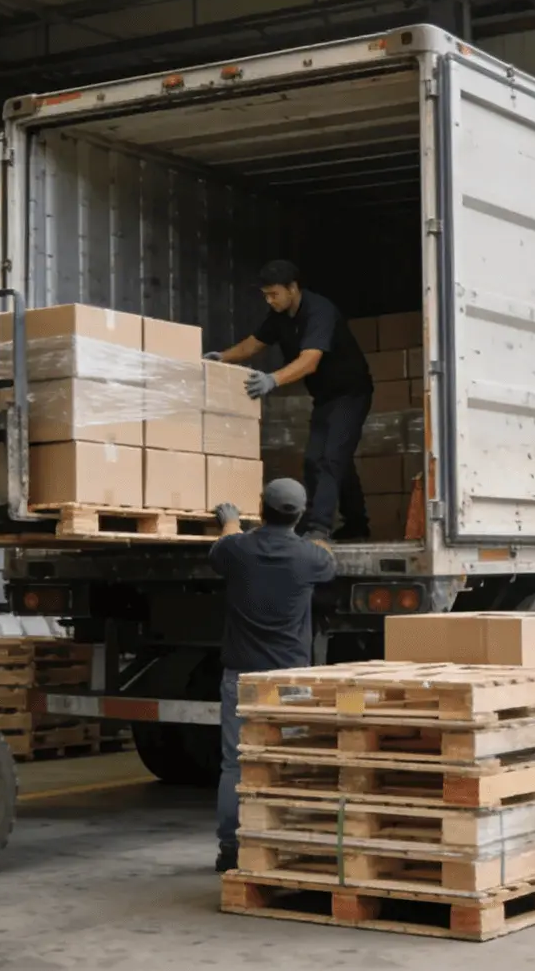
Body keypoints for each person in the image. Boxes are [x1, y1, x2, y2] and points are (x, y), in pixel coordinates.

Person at [206, 479, 335, 873]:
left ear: (261, 508)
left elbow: (223, 545)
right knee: (289, 760)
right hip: (290, 682)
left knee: (235, 764)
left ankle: (231, 849)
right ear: (299, 513)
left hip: (242, 678)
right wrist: (318, 537)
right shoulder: (310, 558)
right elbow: (329, 560)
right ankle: (286, 843)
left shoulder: (237, 550)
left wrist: (230, 520)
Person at [207, 260, 374, 542]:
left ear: (293, 288)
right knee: (315, 460)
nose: (269, 301)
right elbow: (254, 343)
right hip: (324, 396)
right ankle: (357, 525)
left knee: (331, 459)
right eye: (265, 295)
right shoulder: (280, 316)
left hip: (351, 393)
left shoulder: (319, 311)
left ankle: (318, 528)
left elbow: (310, 361)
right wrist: (222, 357)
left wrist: (272, 379)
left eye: (274, 294)